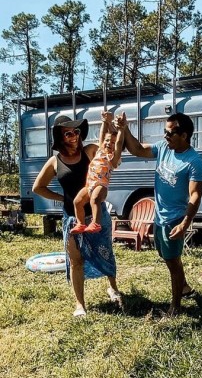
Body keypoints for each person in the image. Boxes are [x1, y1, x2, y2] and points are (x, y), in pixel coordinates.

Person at [32, 114, 122, 318]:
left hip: (97, 216)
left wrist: (108, 124)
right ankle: (80, 304)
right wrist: (61, 197)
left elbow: (104, 149)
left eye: (76, 132)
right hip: (72, 219)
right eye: (68, 133)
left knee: (106, 252)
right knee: (75, 261)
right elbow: (38, 187)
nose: (73, 137)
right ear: (60, 137)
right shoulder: (55, 162)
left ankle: (113, 287)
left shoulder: (89, 151)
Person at [116, 111, 202, 316]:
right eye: (165, 132)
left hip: (175, 218)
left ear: (184, 135)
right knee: (166, 256)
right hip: (159, 216)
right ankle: (183, 286)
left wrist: (184, 224)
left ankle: (175, 306)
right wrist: (124, 129)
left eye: (170, 133)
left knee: (173, 261)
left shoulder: (194, 162)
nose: (165, 137)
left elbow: (195, 196)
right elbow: (137, 149)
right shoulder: (164, 147)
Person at [70, 112, 124, 234]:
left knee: (94, 199)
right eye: (108, 141)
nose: (109, 144)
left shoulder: (113, 158)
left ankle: (95, 223)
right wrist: (105, 121)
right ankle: (80, 223)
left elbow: (120, 143)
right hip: (89, 185)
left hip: (101, 185)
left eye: (112, 143)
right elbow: (102, 135)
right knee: (77, 201)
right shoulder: (100, 150)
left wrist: (121, 130)